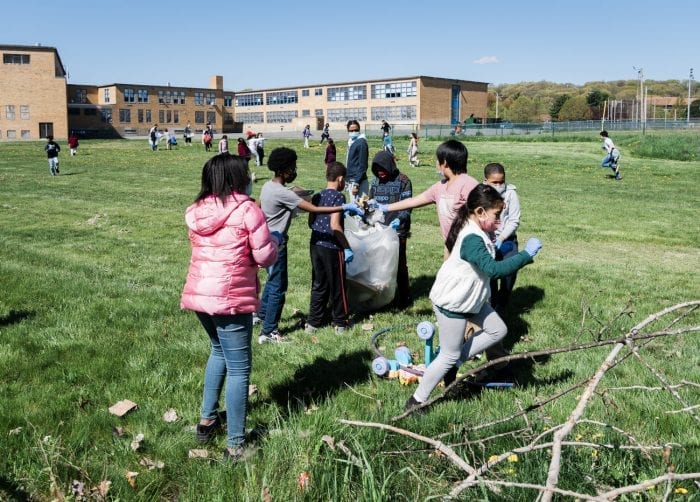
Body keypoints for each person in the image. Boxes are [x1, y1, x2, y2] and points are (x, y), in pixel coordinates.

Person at [404, 185, 542, 411]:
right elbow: (493, 270)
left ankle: (454, 364)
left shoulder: (478, 232)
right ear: (479, 211)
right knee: (448, 354)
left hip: (472, 299)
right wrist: (525, 255)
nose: (499, 221)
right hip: (454, 302)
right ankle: (416, 401)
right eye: (496, 215)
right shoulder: (471, 238)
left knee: (498, 330)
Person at [180, 154, 280, 461]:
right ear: (238, 178)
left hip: (200, 295)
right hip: (230, 299)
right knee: (239, 369)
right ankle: (236, 444)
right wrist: (274, 241)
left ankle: (207, 420)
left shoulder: (196, 210)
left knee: (218, 351)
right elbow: (264, 257)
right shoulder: (249, 210)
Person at [257, 148, 363, 343]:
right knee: (281, 287)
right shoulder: (334, 197)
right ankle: (270, 331)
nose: (295, 169)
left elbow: (307, 217)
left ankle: (268, 316)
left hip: (280, 242)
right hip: (288, 244)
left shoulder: (267, 187)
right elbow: (320, 214)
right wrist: (344, 208)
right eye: (293, 167)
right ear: (284, 170)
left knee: (281, 283)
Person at [372, 140, 478, 256]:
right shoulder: (440, 187)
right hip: (450, 244)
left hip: (470, 245)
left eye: (438, 160)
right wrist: (384, 207)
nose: (436, 163)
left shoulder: (469, 184)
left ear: (445, 162)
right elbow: (412, 201)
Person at [305, 162, 356, 335]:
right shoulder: (338, 198)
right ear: (340, 179)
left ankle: (313, 322)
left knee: (319, 284)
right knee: (338, 285)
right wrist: (347, 247)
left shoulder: (318, 196)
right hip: (332, 248)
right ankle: (341, 322)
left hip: (316, 245)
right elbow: (335, 226)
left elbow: (311, 222)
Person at [368, 150, 413, 307]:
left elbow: (407, 206)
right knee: (380, 264)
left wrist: (399, 221)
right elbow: (370, 204)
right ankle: (384, 297)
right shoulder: (374, 182)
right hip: (379, 230)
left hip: (397, 231)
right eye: (377, 169)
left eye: (383, 169)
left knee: (399, 264)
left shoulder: (403, 181)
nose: (380, 172)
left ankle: (404, 298)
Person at [484, 163, 521, 315]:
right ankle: (491, 303)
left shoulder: (511, 194)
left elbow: (514, 220)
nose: (499, 185)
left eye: (501, 181)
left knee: (510, 271)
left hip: (507, 240)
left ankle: (502, 302)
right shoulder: (481, 194)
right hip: (487, 239)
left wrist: (503, 236)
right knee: (490, 274)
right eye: (494, 182)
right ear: (486, 180)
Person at [345, 119, 369, 198]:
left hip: (358, 181)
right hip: (351, 180)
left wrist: (356, 184)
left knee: (362, 207)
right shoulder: (351, 142)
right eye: (351, 130)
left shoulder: (361, 143)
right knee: (354, 206)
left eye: (356, 130)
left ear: (359, 129)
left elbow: (363, 165)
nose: (353, 132)